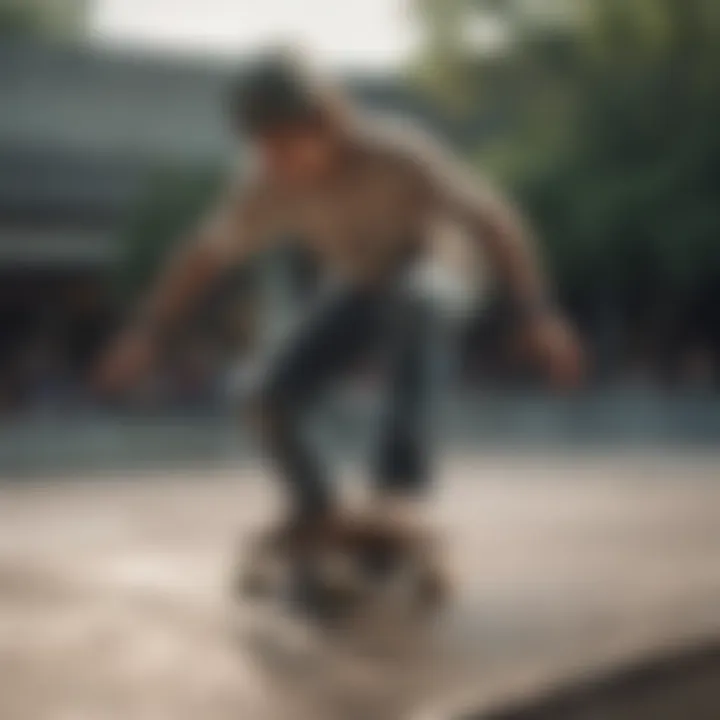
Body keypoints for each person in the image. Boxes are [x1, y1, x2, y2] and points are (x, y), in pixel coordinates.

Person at [96, 51, 583, 590]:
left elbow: (495, 220)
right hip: (359, 285)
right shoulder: (266, 184)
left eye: (285, 144)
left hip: (440, 271)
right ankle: (315, 507)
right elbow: (203, 255)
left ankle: (397, 492)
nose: (275, 160)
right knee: (262, 396)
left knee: (415, 302)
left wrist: (539, 314)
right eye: (262, 147)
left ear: (327, 122)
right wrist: (148, 333)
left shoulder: (398, 153)